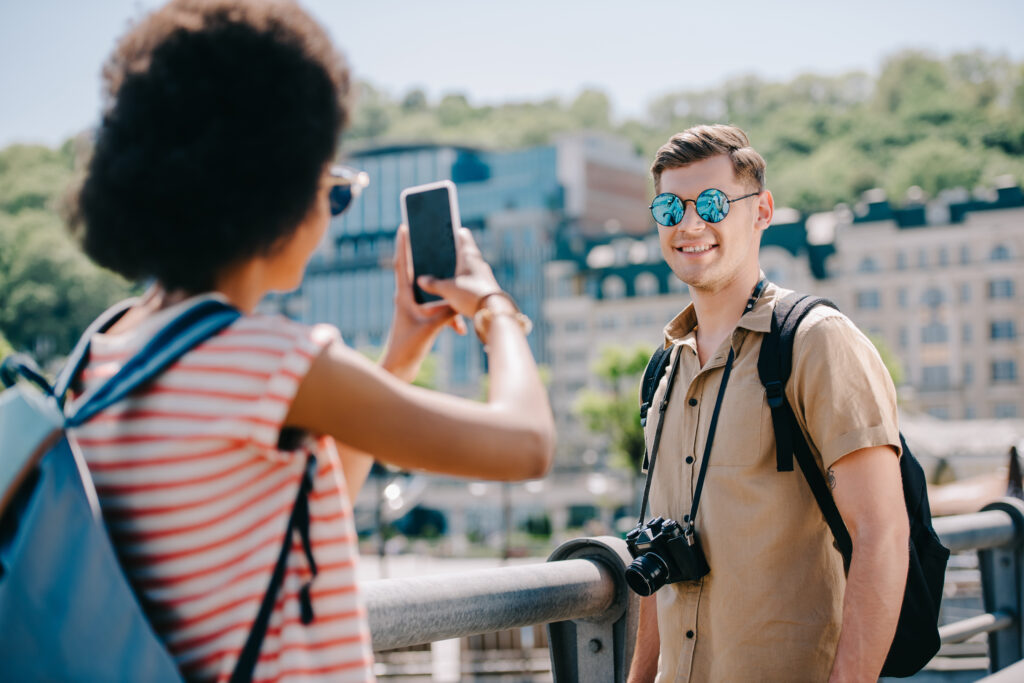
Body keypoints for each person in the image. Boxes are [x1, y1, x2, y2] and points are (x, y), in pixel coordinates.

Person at [66, 1, 554, 680]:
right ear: (281, 188)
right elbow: (526, 444)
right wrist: (494, 307)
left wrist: (401, 354)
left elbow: (307, 506)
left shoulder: (100, 354)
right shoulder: (270, 361)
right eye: (333, 189)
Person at [626, 125, 908, 682]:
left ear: (761, 211)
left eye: (712, 203)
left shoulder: (816, 341)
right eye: (670, 207)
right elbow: (660, 549)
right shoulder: (663, 371)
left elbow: (882, 535)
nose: (689, 224)